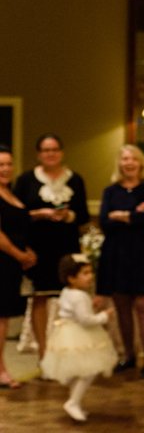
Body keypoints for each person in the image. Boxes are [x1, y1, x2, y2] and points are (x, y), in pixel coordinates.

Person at [14, 134, 90, 361]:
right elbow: (17, 216)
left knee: (71, 299)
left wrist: (68, 216)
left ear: (62, 152)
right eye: (46, 150)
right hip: (38, 248)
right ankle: (44, 354)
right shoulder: (26, 180)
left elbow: (84, 215)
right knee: (39, 298)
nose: (51, 154)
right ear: (39, 154)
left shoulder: (75, 179)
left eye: (55, 149)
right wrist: (39, 214)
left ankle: (69, 353)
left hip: (66, 248)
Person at [96, 145, 144, 379]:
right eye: (125, 159)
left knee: (143, 308)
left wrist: (121, 215)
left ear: (141, 163)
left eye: (133, 158)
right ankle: (128, 356)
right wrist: (133, 214)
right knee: (122, 308)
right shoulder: (110, 191)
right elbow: (105, 222)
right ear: (120, 163)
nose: (129, 162)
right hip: (117, 255)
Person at [40, 254, 118, 422]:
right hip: (79, 335)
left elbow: (75, 311)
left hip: (66, 334)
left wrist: (90, 304)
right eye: (85, 273)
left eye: (90, 272)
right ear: (72, 278)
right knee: (89, 371)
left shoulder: (68, 291)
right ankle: (73, 402)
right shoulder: (79, 296)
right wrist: (104, 316)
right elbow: (86, 320)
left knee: (79, 372)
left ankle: (75, 402)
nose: (91, 276)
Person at [0, 145, 37, 388]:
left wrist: (28, 252)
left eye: (9, 163)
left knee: (3, 318)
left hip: (11, 264)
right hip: (3, 261)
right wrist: (19, 254)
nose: (6, 168)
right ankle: (0, 370)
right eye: (0, 164)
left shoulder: (10, 192)